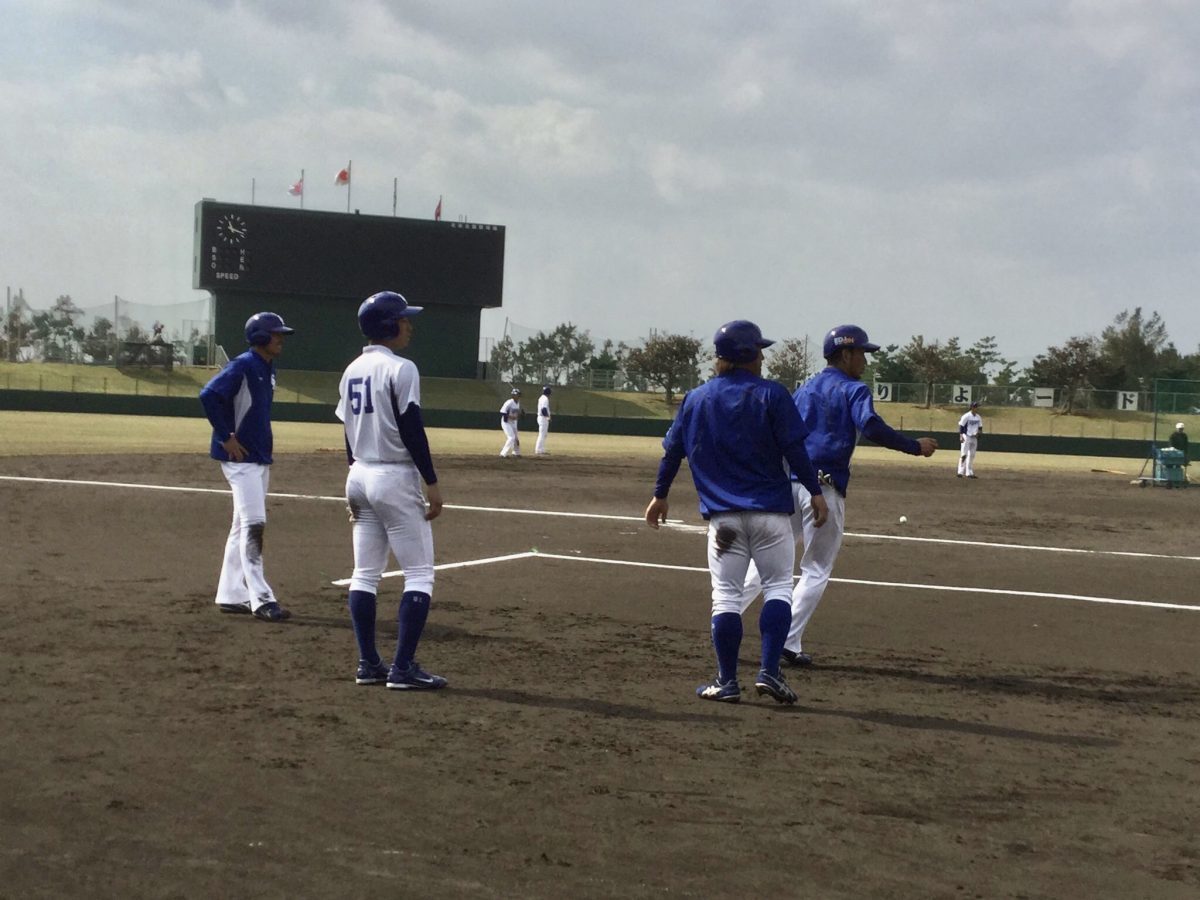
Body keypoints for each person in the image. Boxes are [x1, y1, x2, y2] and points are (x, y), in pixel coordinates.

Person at [645, 320, 829, 705]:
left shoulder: (696, 399)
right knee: (778, 587)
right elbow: (796, 450)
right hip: (771, 516)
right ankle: (769, 672)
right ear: (747, 354)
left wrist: (660, 495)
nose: (763, 357)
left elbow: (672, 452)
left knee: (726, 597)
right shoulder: (773, 394)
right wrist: (815, 492)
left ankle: (727, 681)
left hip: (724, 521)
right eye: (759, 350)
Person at [738, 324, 938, 666]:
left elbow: (779, 430)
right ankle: (788, 640)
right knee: (816, 568)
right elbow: (871, 425)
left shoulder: (806, 387)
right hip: (824, 489)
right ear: (845, 354)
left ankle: (725, 615)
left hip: (788, 484)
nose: (865, 361)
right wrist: (913, 446)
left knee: (769, 562)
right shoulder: (854, 389)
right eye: (861, 354)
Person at [335, 291, 447, 690]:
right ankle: (403, 668)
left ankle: (368, 663)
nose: (409, 325)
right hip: (393, 476)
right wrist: (432, 483)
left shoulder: (351, 369)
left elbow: (347, 431)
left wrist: (353, 480)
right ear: (389, 325)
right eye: (403, 319)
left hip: (359, 474)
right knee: (419, 574)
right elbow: (412, 428)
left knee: (364, 574)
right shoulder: (402, 368)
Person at [198, 311, 295, 622]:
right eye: (276, 334)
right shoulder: (242, 365)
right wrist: (225, 436)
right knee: (254, 524)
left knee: (241, 526)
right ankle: (261, 598)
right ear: (260, 337)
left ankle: (230, 593)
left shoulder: (266, 367)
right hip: (241, 460)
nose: (280, 339)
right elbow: (208, 395)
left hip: (257, 455)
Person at [957, 400, 983, 479]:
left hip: (974, 437)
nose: (977, 408)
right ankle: (960, 472)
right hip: (966, 436)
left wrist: (979, 433)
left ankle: (969, 472)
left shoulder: (978, 417)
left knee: (972, 455)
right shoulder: (966, 416)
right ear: (971, 407)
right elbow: (961, 426)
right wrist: (961, 436)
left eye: (977, 407)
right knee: (964, 454)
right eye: (975, 407)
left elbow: (980, 427)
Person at [499, 388, 523, 457]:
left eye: (518, 395)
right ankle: (503, 453)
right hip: (506, 422)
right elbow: (502, 412)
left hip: (513, 422)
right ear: (513, 395)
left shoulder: (518, 403)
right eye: (516, 395)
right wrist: (511, 417)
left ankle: (516, 452)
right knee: (511, 437)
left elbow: (516, 413)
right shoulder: (509, 402)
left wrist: (520, 414)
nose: (518, 396)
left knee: (516, 438)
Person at [535, 385, 553, 455]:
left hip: (542, 417)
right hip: (543, 418)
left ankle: (541, 449)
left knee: (544, 434)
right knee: (542, 434)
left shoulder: (542, 398)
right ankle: (538, 450)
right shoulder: (545, 399)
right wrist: (547, 417)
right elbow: (543, 409)